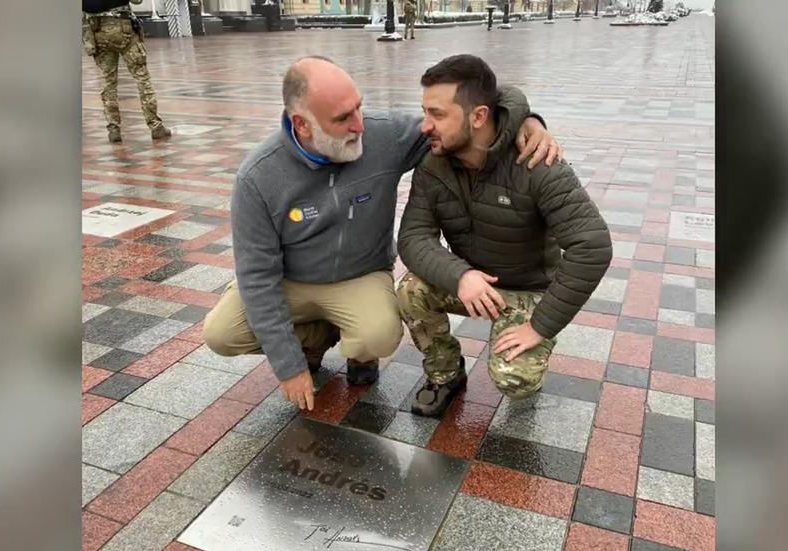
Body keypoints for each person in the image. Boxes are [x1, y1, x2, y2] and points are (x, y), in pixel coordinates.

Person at [202, 56, 562, 411]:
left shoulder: (384, 135)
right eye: (343, 118)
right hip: (288, 282)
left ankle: (354, 345)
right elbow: (256, 277)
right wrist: (289, 366)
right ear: (302, 124)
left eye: (358, 107)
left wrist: (524, 120)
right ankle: (319, 337)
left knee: (378, 335)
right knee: (220, 334)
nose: (359, 125)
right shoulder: (258, 177)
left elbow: (468, 115)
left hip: (358, 277)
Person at [396, 54, 612, 417]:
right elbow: (414, 237)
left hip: (527, 292)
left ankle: (529, 345)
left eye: (437, 114)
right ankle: (445, 373)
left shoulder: (537, 162)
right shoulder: (433, 165)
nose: (425, 126)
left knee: (515, 381)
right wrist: (459, 275)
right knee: (410, 291)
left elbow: (592, 246)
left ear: (479, 116)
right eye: (425, 112)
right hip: (472, 283)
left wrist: (539, 326)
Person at [82, 0, 172, 143]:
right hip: (123, 29)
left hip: (97, 32)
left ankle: (113, 130)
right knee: (142, 77)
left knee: (107, 82)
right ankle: (156, 126)